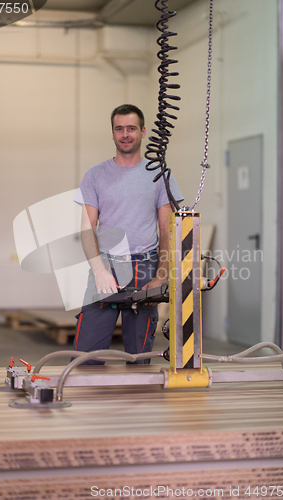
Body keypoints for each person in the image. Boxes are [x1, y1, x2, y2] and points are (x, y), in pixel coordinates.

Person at [73, 104, 183, 364]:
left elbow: (167, 229)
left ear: (143, 132)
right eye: (119, 129)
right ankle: (88, 402)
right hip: (107, 265)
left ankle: (138, 403)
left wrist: (160, 276)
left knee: (139, 357)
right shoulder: (95, 175)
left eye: (131, 128)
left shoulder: (160, 174)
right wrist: (99, 270)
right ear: (112, 133)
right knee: (85, 356)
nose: (125, 134)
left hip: (145, 267)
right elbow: (87, 228)